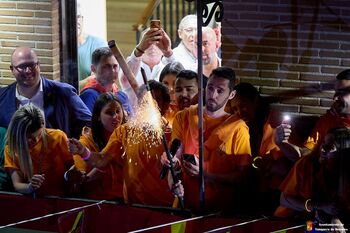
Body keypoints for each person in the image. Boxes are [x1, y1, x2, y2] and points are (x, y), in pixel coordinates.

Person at [69, 83, 175, 206]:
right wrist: (83, 152)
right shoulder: (123, 131)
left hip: (166, 207)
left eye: (155, 100)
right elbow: (102, 160)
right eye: (144, 100)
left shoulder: (173, 132)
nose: (148, 105)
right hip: (132, 206)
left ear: (166, 105)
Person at [168, 67, 252, 213]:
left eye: (220, 91)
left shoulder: (238, 128)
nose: (213, 94)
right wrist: (173, 182)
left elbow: (243, 178)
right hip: (184, 206)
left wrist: (206, 175)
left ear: (231, 94)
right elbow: (174, 159)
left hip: (219, 211)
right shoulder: (184, 117)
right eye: (210, 88)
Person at [0, 47, 91, 138]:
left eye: (32, 65)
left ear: (38, 65)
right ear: (12, 69)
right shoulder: (2, 98)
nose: (28, 71)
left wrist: (78, 148)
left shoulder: (64, 93)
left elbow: (89, 124)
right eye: (22, 66)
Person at [274, 127, 350, 228]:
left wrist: (335, 219)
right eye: (323, 143)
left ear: (343, 154)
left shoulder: (346, 173)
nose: (323, 149)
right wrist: (319, 205)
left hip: (321, 224)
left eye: (330, 147)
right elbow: (284, 199)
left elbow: (340, 207)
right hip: (292, 221)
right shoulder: (307, 164)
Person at [275, 69, 350, 162]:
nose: (335, 98)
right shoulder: (328, 120)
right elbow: (303, 155)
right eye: (335, 92)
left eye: (342, 92)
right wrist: (282, 143)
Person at [3, 105, 77, 197]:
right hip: (36, 201)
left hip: (65, 198)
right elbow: (17, 184)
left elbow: (73, 165)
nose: (36, 140)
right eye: (29, 137)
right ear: (18, 134)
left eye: (39, 134)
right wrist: (30, 187)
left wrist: (71, 174)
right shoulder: (11, 149)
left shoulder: (58, 137)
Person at [74, 93, 127, 201]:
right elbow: (82, 181)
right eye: (109, 113)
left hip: (127, 201)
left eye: (118, 111)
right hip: (97, 202)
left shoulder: (128, 134)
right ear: (98, 116)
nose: (115, 116)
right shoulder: (86, 142)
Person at [120, 27, 175, 107]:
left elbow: (181, 81)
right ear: (141, 44)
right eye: (148, 42)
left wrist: (168, 52)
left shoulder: (168, 68)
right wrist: (139, 50)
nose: (152, 46)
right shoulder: (132, 65)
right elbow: (125, 79)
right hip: (134, 117)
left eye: (156, 42)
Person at [79, 47, 132, 115]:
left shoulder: (122, 96)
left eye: (115, 66)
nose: (112, 71)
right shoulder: (89, 96)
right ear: (93, 69)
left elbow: (132, 122)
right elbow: (87, 124)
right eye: (106, 66)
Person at [77, 1, 108, 88]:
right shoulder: (61, 47)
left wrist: (70, 87)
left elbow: (100, 77)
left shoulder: (98, 44)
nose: (76, 21)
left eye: (78, 17)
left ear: (82, 19)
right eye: (72, 17)